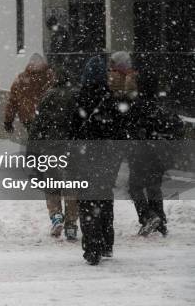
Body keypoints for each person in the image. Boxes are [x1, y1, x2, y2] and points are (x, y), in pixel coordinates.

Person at [72, 52, 139, 265]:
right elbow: (123, 126)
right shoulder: (112, 97)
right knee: (104, 195)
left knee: (87, 198)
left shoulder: (81, 97)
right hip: (110, 155)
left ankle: (92, 247)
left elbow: (72, 127)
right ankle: (106, 243)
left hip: (86, 153)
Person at [127, 69, 184, 237]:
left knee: (135, 186)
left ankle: (147, 216)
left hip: (141, 151)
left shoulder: (137, 105)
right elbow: (177, 125)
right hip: (160, 152)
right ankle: (160, 220)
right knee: (153, 186)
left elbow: (130, 128)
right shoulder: (162, 105)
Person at [29, 68, 79, 241]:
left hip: (50, 146)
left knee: (52, 183)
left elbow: (38, 124)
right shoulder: (76, 96)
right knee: (71, 185)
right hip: (71, 147)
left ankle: (56, 216)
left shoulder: (47, 96)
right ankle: (71, 224)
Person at [4, 53, 54, 135]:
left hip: (29, 118)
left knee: (33, 141)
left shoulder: (21, 79)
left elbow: (13, 101)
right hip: (46, 117)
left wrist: (8, 120)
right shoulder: (50, 76)